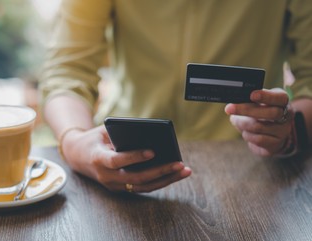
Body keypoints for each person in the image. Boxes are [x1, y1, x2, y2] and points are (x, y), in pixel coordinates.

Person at [39, 0, 312, 193]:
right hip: (122, 150)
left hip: (254, 168)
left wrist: (290, 130)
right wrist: (75, 142)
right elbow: (67, 69)